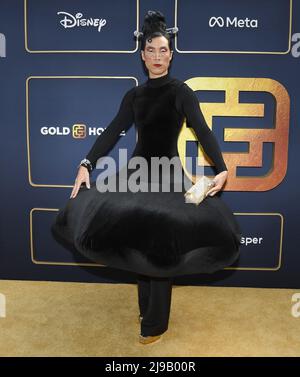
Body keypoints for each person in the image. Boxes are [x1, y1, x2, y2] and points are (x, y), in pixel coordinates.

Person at [51, 10, 242, 345]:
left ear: (171, 54)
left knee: (161, 248)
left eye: (163, 50)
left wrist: (222, 167)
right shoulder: (135, 96)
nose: (157, 56)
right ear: (142, 55)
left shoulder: (181, 92)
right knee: (140, 241)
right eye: (151, 50)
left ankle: (156, 323)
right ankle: (145, 309)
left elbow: (202, 129)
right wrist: (86, 163)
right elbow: (112, 131)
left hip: (169, 176)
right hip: (137, 174)